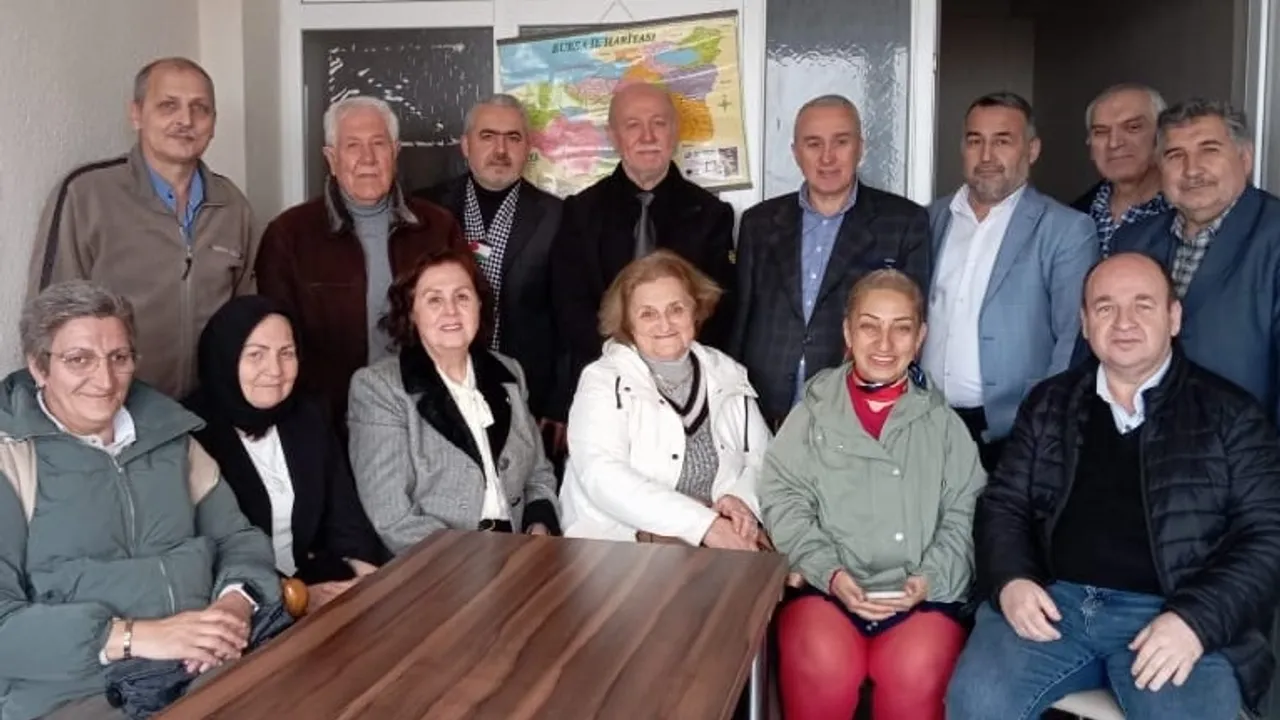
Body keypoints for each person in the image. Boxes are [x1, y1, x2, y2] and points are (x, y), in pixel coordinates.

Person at [946, 253, 1280, 720]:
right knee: (977, 701)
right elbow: (1004, 504)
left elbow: (1267, 534)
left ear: (1174, 317)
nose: (1124, 322)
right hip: (1055, 603)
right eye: (1105, 307)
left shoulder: (1232, 414)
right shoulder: (1049, 402)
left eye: (1143, 305)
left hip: (1173, 612)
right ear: (1085, 323)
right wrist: (1011, 580)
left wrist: (1196, 621)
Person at [0, 281, 284, 720]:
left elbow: (238, 538)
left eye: (119, 358)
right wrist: (135, 637)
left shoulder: (170, 435)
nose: (105, 380)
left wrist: (234, 604)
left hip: (206, 663)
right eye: (79, 360)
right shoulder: (11, 458)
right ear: (39, 366)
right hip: (81, 693)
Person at [760, 269, 983, 720]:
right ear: (848, 332)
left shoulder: (943, 423)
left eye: (901, 328)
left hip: (922, 598)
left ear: (920, 337)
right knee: (822, 662)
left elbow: (965, 511)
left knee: (916, 670)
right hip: (827, 590)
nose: (884, 343)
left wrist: (928, 579)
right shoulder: (812, 413)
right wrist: (829, 571)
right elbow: (784, 500)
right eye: (869, 326)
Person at [26, 57, 258, 399]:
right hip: (113, 407)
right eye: (168, 106)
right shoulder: (87, 194)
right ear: (136, 114)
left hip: (205, 410)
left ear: (213, 122)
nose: (186, 120)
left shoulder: (232, 205)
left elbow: (246, 317)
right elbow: (47, 319)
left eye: (200, 108)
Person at [256, 96, 466, 426]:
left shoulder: (438, 227)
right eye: (352, 145)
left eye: (378, 144)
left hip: (426, 412)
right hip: (328, 419)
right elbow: (273, 339)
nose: (367, 158)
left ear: (395, 152)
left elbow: (469, 314)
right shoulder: (289, 235)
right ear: (331, 158)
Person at [731, 94, 932, 428]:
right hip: (763, 411)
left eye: (841, 142)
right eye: (813, 144)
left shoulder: (904, 221)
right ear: (796, 152)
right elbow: (741, 321)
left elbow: (910, 327)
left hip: (853, 416)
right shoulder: (759, 222)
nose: (827, 157)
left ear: (860, 148)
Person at [923, 92, 1097, 470]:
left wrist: (1042, 425)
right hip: (927, 424)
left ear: (1031, 150)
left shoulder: (1066, 230)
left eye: (1002, 141)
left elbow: (1073, 340)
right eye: (975, 141)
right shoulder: (931, 219)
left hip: (1013, 432)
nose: (986, 155)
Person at [347, 248, 560, 553]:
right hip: (436, 562)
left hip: (518, 548)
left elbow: (538, 474)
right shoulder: (379, 388)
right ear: (411, 313)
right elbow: (391, 516)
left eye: (462, 297)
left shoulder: (508, 372)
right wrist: (475, 560)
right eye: (434, 300)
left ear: (479, 305)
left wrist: (538, 526)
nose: (451, 311)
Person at [185, 296, 389, 613]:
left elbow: (345, 516)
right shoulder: (191, 432)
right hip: (244, 604)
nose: (275, 370)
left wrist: (366, 579)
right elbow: (212, 553)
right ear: (225, 357)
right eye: (256, 355)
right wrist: (296, 598)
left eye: (287, 353)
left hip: (322, 582)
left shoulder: (308, 414)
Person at [558, 250, 770, 549]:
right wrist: (704, 526)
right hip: (621, 547)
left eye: (676, 309)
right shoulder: (602, 380)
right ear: (627, 323)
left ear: (696, 311)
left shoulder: (726, 371)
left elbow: (765, 458)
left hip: (722, 540)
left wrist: (741, 499)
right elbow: (602, 476)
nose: (665, 324)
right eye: (648, 314)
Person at [550, 82, 736, 421]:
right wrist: (624, 367)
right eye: (633, 125)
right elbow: (569, 305)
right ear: (613, 136)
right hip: (604, 385)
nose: (647, 136)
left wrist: (671, 362)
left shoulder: (712, 215)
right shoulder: (580, 212)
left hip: (687, 386)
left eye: (659, 123)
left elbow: (718, 308)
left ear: (675, 131)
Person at [1109, 98, 1280, 424]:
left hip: (1241, 445)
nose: (1192, 170)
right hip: (1139, 441)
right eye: (1175, 155)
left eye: (1209, 150)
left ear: (1245, 159)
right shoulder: (1131, 240)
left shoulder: (1272, 235)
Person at [416, 94, 566, 447]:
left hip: (527, 391)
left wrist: (560, 401)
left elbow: (569, 316)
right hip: (438, 386)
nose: (501, 150)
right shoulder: (424, 209)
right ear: (465, 145)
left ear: (527, 147)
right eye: (488, 136)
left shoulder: (557, 217)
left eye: (513, 137)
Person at [1070, 83, 1171, 256]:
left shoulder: (1189, 212)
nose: (1114, 143)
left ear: (1162, 135)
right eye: (1101, 132)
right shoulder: (1072, 217)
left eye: (1133, 128)